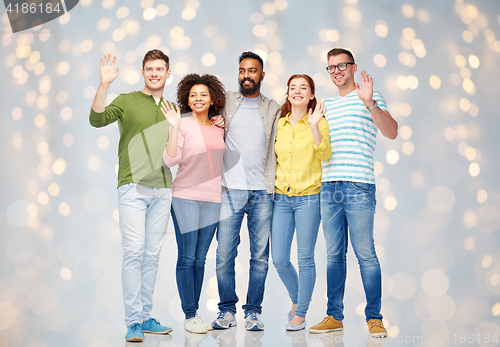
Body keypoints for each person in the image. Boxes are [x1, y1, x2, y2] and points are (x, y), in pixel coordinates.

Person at [308, 48, 398, 337]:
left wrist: (370, 102)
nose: (336, 71)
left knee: (365, 254)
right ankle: (334, 316)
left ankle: (374, 317)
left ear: (353, 67)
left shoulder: (369, 97)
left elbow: (392, 131)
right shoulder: (326, 106)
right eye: (331, 67)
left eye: (341, 65)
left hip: (359, 184)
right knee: (334, 255)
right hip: (329, 186)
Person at [89, 50, 174, 342]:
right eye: (149, 69)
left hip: (163, 189)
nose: (154, 73)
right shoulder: (126, 100)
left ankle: (147, 316)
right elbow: (96, 120)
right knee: (134, 252)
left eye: (159, 69)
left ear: (167, 74)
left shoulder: (171, 107)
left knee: (151, 255)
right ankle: (133, 321)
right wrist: (104, 85)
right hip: (132, 187)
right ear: (143, 72)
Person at [211, 51, 281, 331]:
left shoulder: (274, 108)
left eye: (252, 71)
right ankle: (227, 310)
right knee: (224, 256)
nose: (246, 75)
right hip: (229, 190)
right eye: (242, 70)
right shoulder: (226, 100)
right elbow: (196, 108)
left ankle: (253, 312)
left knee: (260, 257)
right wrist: (215, 122)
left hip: (262, 192)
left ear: (262, 75)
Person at [161, 73, 226, 334]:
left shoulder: (219, 126)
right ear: (187, 99)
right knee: (187, 257)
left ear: (212, 99)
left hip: (212, 199)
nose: (198, 99)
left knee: (200, 259)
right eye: (193, 95)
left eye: (203, 95)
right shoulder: (183, 125)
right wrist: (174, 125)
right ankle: (190, 315)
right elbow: (169, 160)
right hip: (185, 198)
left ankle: (195, 312)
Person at [271, 74, 332, 331]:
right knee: (279, 259)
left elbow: (325, 154)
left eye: (303, 88)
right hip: (281, 198)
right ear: (287, 94)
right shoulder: (280, 123)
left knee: (305, 258)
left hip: (309, 197)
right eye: (293, 88)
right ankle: (298, 300)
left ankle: (301, 313)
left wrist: (315, 125)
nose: (297, 91)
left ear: (311, 95)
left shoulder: (320, 122)